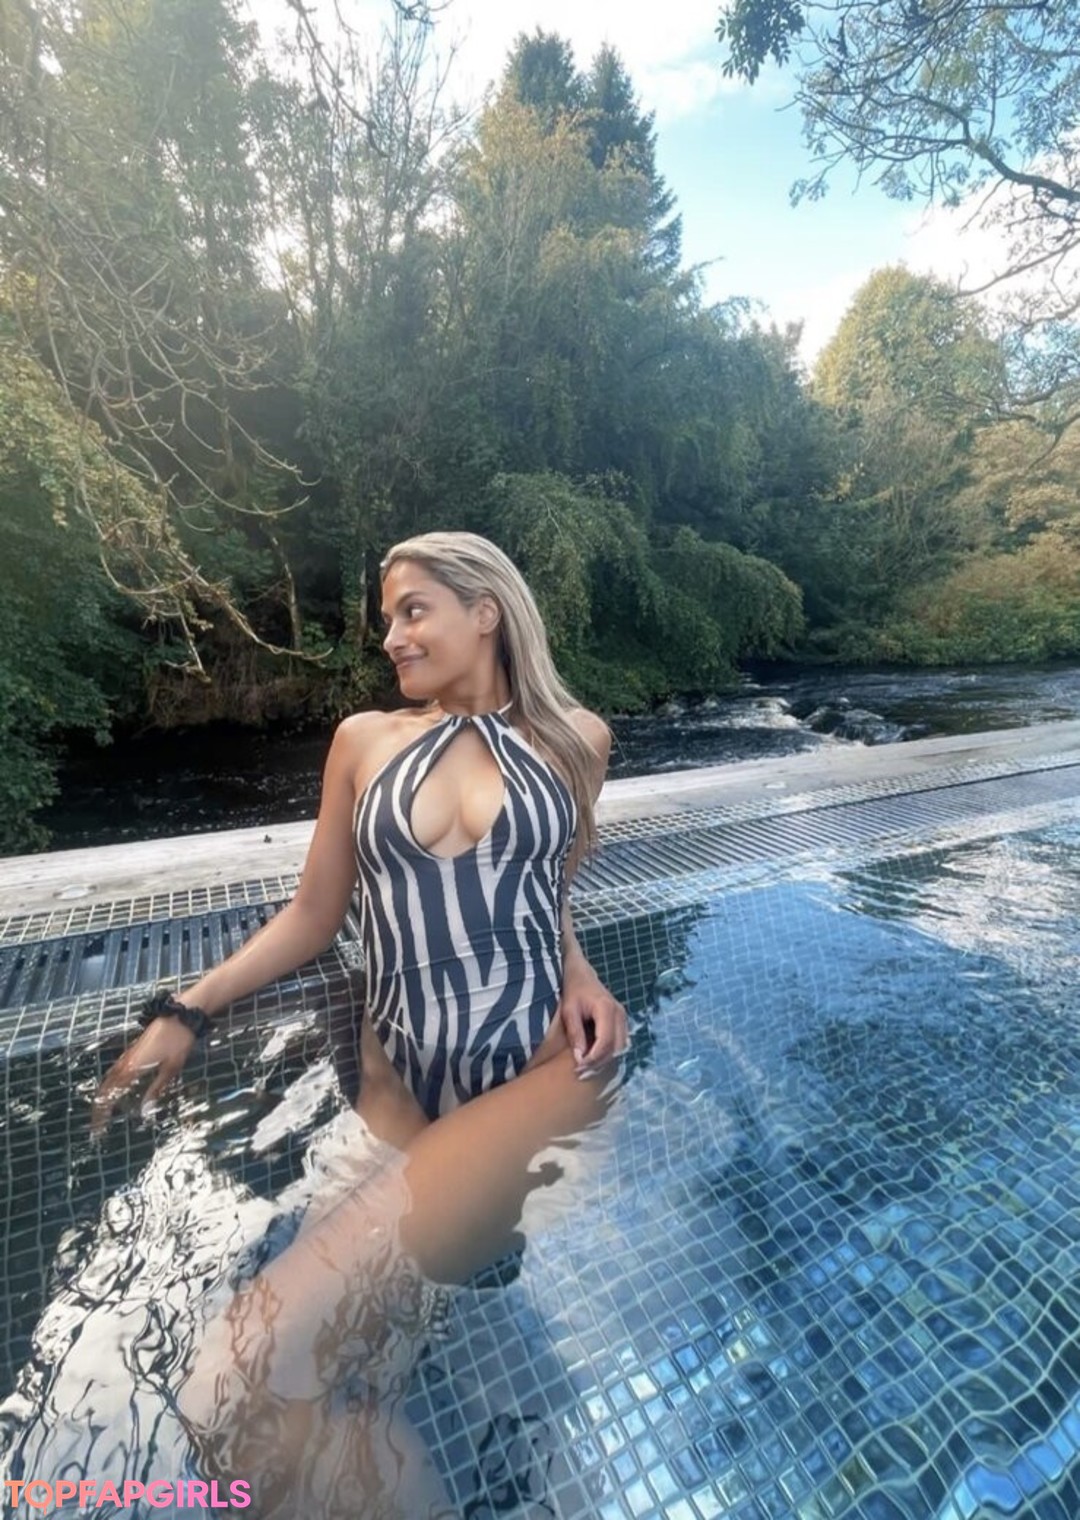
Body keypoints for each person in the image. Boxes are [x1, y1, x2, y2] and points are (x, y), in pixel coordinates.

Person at [92, 531, 628, 1518]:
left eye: (413, 610)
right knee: (247, 1405)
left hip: (522, 1102)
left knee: (257, 1368)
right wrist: (187, 1008)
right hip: (391, 1118)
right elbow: (313, 914)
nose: (391, 636)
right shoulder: (364, 741)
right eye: (388, 618)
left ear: (486, 611)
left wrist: (582, 970)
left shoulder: (575, 741)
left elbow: (546, 894)